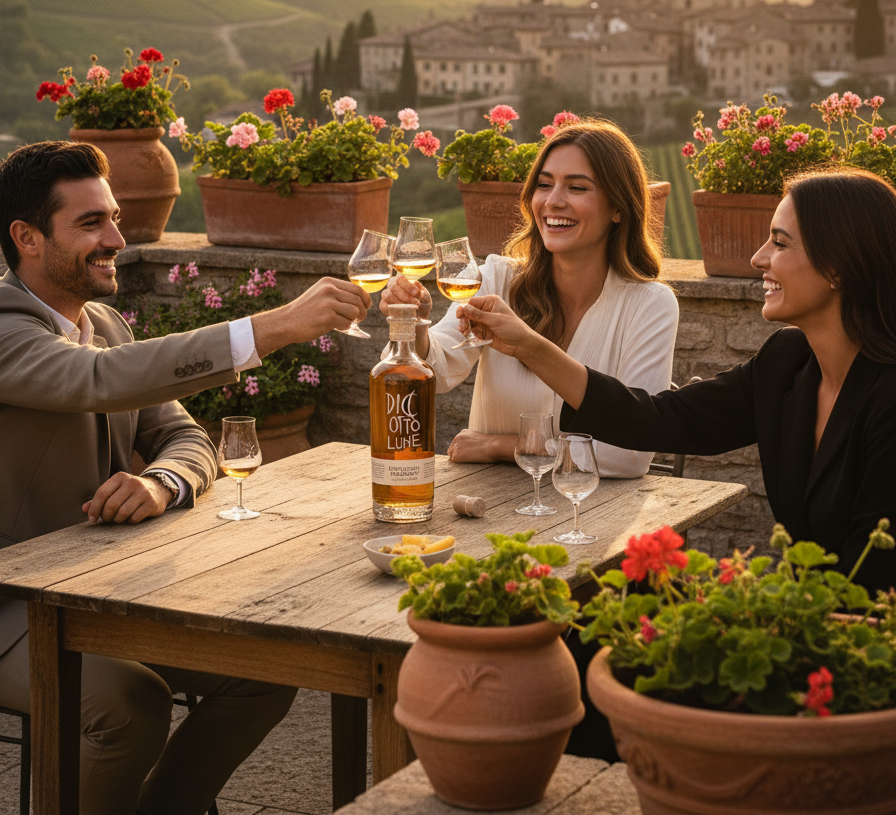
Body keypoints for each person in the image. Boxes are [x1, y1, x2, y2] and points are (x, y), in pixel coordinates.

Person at [0, 140, 371, 815]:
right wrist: (275, 326)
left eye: (113, 217)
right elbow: (96, 382)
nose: (115, 237)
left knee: (263, 669)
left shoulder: (105, 323)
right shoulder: (4, 330)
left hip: (95, 594)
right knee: (128, 703)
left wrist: (160, 484)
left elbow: (184, 438)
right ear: (25, 237)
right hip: (9, 605)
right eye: (91, 224)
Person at [458, 166, 896, 594]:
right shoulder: (787, 362)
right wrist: (529, 346)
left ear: (838, 266)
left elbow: (874, 580)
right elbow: (657, 418)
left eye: (779, 244)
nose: (758, 258)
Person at [381, 119, 679, 476]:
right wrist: (415, 325)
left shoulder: (650, 305)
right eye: (544, 184)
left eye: (577, 188)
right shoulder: (497, 278)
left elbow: (630, 454)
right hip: (491, 511)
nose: (553, 202)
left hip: (591, 519)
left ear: (618, 207)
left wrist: (504, 446)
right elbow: (437, 373)